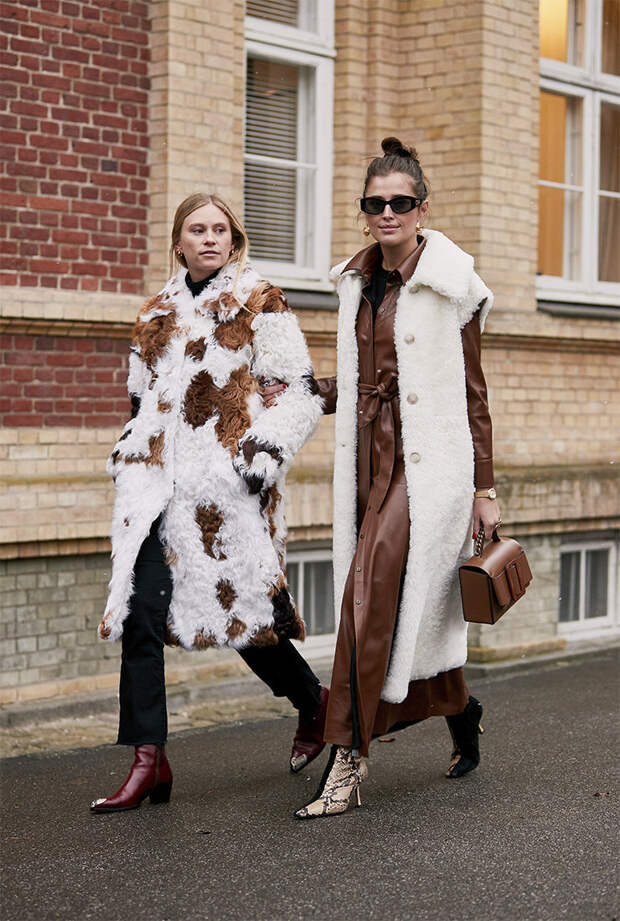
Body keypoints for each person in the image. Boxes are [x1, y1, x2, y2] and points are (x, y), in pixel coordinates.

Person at [90, 192, 329, 814]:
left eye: (220, 229)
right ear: (179, 242)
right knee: (140, 614)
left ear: (233, 238)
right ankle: (149, 760)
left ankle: (315, 704)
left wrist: (259, 455)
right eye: (197, 229)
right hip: (156, 493)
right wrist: (130, 453)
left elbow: (297, 393)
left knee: (246, 620)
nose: (210, 239)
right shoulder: (155, 313)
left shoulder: (259, 301)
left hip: (224, 495)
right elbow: (140, 401)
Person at [294, 138, 501, 819]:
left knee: (368, 598)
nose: (388, 213)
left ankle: (347, 762)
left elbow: (474, 395)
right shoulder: (355, 283)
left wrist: (485, 489)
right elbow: (361, 380)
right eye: (376, 202)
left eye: (401, 203)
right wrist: (305, 391)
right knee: (398, 606)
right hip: (368, 459)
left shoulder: (452, 285)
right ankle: (461, 710)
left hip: (426, 466)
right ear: (364, 211)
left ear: (422, 209)